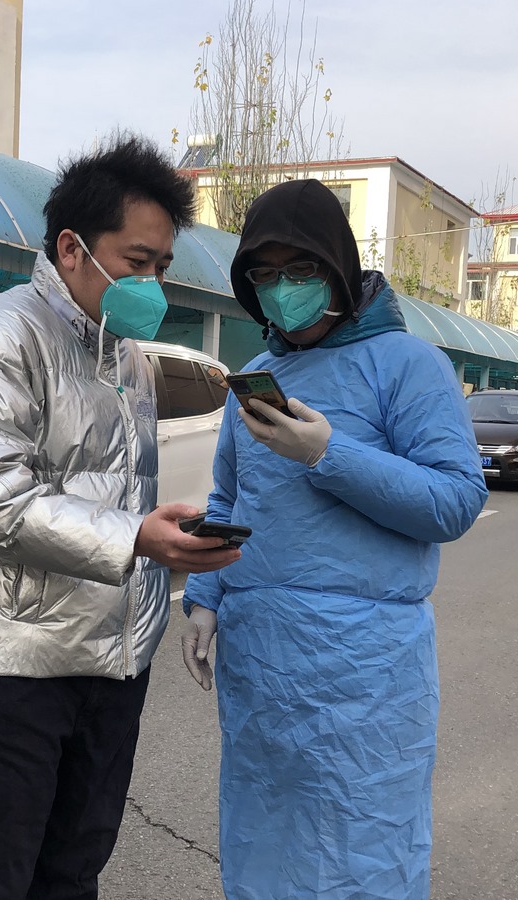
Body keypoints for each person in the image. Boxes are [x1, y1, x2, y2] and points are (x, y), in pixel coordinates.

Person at [0, 135, 240, 900]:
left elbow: (114, 493)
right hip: (11, 662)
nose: (152, 284)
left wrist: (158, 526)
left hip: (111, 662)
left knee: (71, 873)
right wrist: (135, 537)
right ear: (71, 249)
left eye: (162, 266)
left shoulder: (127, 358)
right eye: (137, 261)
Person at [181, 179, 488, 900]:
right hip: (262, 662)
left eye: (300, 270)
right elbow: (230, 496)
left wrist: (328, 454)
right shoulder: (257, 381)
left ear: (339, 271)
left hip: (365, 670)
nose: (281, 289)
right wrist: (204, 597)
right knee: (263, 838)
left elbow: (454, 500)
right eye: (263, 275)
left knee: (363, 845)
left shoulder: (407, 365)